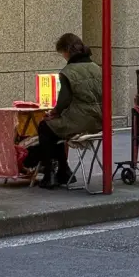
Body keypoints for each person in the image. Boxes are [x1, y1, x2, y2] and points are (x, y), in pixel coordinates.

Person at [37, 33, 103, 189]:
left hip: (80, 120)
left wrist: (54, 112)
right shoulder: (96, 67)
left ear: (67, 51)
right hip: (99, 120)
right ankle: (63, 170)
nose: (63, 57)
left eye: (62, 53)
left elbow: (64, 101)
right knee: (56, 128)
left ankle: (51, 173)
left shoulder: (68, 71)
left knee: (45, 127)